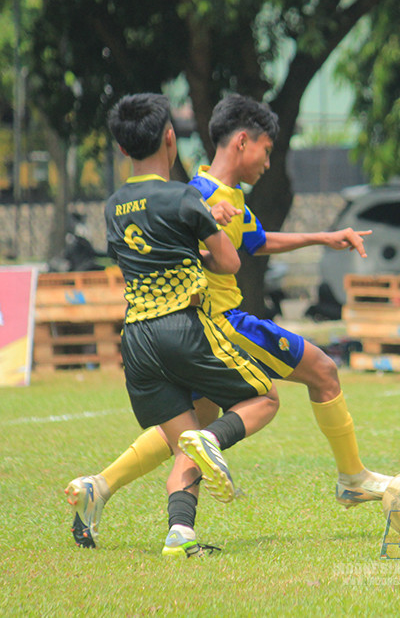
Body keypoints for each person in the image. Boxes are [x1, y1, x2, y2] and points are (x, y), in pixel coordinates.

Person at [65, 94, 392, 550]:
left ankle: (117, 496)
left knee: (188, 433)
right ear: (243, 141)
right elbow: (222, 257)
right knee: (320, 371)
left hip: (151, 334)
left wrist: (322, 237)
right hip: (217, 321)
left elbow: (254, 241)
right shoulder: (194, 194)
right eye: (267, 149)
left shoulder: (223, 197)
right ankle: (352, 478)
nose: (268, 161)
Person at [71, 92, 280, 558]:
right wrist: (209, 230)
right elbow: (226, 263)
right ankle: (213, 440)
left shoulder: (112, 207)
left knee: (184, 442)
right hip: (182, 328)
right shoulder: (183, 195)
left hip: (137, 342)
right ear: (171, 138)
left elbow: (136, 258)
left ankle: (179, 535)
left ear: (123, 150)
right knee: (263, 398)